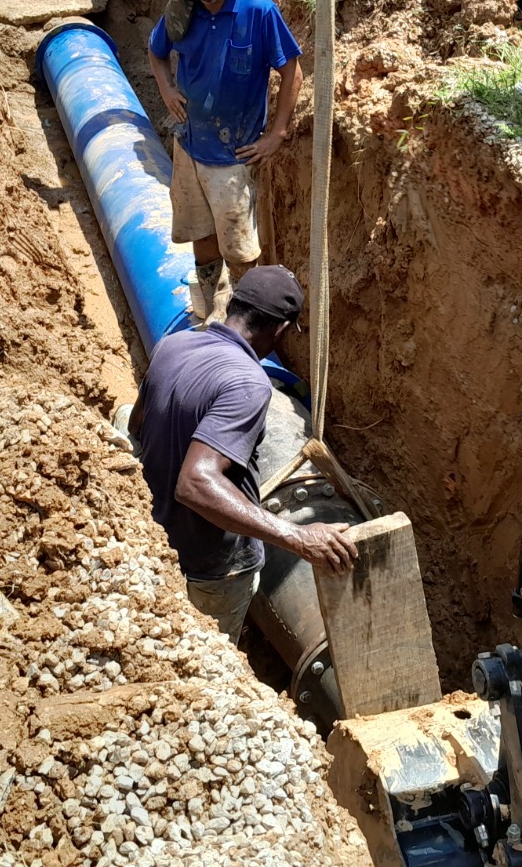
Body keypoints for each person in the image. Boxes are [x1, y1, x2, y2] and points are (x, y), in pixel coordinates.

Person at [129, 265, 357, 644]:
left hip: (156, 540)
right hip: (211, 568)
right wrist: (298, 537)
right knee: (206, 660)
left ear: (232, 303)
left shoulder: (172, 345)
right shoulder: (249, 383)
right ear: (281, 330)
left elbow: (137, 424)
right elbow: (195, 482)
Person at [147, 0, 303, 322]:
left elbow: (292, 73)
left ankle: (245, 321)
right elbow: (156, 52)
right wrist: (166, 89)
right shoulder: (180, 12)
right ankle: (211, 303)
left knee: (239, 248)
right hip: (189, 145)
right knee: (200, 231)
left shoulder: (257, 11)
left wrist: (277, 135)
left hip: (234, 154)